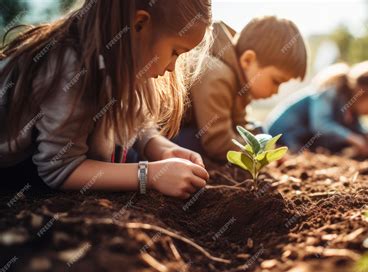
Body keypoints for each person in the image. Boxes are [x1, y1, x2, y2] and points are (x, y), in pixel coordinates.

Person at [0, 0, 212, 199]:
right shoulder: (71, 68)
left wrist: (160, 147)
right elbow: (60, 168)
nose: (172, 67)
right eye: (175, 51)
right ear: (139, 24)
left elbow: (135, 121)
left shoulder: (123, 57)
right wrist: (150, 176)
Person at [173, 16, 307, 161]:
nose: (276, 91)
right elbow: (218, 142)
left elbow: (240, 126)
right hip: (168, 135)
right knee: (197, 144)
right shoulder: (218, 75)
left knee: (259, 132)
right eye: (276, 81)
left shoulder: (241, 83)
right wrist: (265, 157)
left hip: (197, 132)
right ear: (248, 60)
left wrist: (269, 149)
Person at [266, 61, 368, 156]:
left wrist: (366, 136)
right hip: (281, 132)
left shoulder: (352, 110)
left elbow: (356, 127)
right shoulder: (330, 92)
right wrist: (354, 139)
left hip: (301, 136)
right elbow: (321, 125)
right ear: (363, 93)